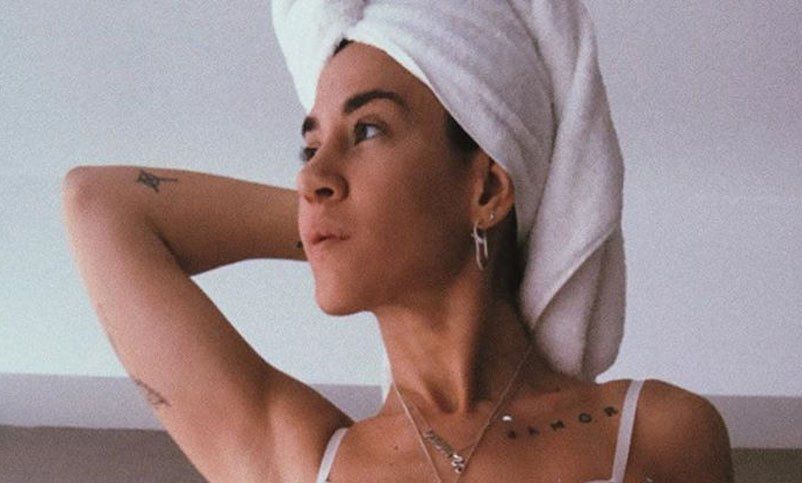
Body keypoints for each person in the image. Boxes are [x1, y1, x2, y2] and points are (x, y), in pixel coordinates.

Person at [62, 2, 734, 482]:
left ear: (486, 188)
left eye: (368, 131)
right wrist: (334, 230)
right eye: (309, 147)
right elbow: (99, 203)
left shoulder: (658, 433)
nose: (313, 178)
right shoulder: (304, 462)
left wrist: (366, 229)